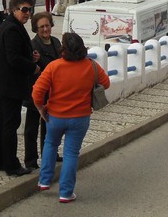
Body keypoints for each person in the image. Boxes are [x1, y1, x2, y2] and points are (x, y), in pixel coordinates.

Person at [33, 32, 110, 203]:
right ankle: (66, 193)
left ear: (64, 48)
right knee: (71, 153)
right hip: (80, 117)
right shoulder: (91, 65)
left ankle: (44, 181)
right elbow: (106, 83)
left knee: (50, 144)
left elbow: (37, 91)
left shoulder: (54, 66)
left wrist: (40, 108)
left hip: (55, 116)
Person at [0, 0, 40, 176]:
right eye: (24, 9)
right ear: (13, 9)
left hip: (6, 84)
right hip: (11, 85)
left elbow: (18, 53)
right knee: (10, 123)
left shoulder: (12, 25)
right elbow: (14, 58)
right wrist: (32, 67)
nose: (27, 13)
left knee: (1, 121)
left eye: (30, 10)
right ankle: (11, 165)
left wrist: (30, 56)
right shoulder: (12, 29)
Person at [24, 12, 62, 169]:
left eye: (47, 25)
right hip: (36, 91)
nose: (45, 29)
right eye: (42, 27)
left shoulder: (56, 42)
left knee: (50, 127)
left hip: (53, 93)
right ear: (36, 29)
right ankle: (31, 160)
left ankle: (50, 154)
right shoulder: (33, 46)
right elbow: (37, 69)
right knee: (32, 128)